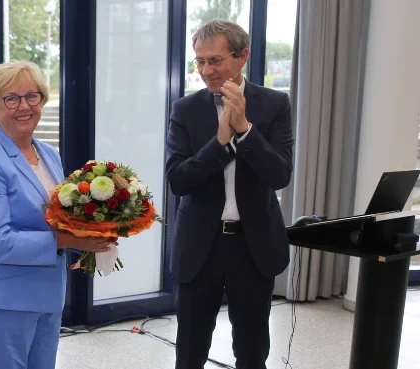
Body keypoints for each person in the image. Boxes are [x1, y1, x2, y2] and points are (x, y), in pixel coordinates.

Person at [0, 60, 115, 369]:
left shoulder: (49, 154)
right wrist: (66, 240)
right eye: (11, 98)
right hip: (6, 301)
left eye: (32, 96)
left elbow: (60, 215)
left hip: (48, 295)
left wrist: (94, 228)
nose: (24, 106)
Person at [165, 19, 294, 369]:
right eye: (200, 61)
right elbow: (178, 180)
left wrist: (245, 130)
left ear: (242, 57)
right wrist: (220, 141)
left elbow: (280, 174)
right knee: (189, 353)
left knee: (252, 353)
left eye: (215, 60)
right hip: (199, 248)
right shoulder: (185, 110)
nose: (206, 71)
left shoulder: (274, 105)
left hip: (253, 248)